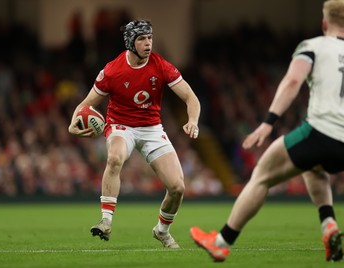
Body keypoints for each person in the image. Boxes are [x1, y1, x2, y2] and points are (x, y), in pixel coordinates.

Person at [190, 0, 344, 262]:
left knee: (262, 175)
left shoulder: (313, 46)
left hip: (321, 131)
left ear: (324, 23)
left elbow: (293, 81)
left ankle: (221, 242)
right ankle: (328, 224)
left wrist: (268, 122)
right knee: (312, 166)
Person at [69, 19, 201, 248]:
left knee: (178, 188)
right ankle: (106, 222)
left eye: (149, 37)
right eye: (141, 39)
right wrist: (73, 125)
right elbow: (86, 103)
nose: (148, 43)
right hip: (121, 125)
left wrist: (193, 121)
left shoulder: (161, 65)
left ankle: (162, 230)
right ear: (130, 42)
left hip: (151, 128)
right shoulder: (112, 70)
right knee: (114, 157)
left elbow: (191, 97)